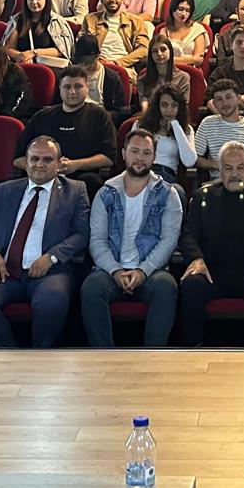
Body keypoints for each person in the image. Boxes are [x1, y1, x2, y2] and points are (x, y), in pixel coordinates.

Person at [0, 136, 89, 349]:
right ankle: (9, 354)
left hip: (50, 272)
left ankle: (41, 355)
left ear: (59, 164)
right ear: (26, 162)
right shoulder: (5, 190)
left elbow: (82, 234)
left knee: (53, 302)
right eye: (35, 158)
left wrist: (52, 257)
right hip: (5, 272)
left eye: (47, 159)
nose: (40, 164)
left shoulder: (75, 191)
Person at [81, 129, 183, 347]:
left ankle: (151, 357)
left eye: (146, 153)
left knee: (166, 287)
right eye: (135, 151)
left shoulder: (168, 194)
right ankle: (102, 357)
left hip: (151, 270)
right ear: (124, 153)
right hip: (111, 271)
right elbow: (97, 240)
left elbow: (169, 240)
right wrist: (116, 271)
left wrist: (142, 270)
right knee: (91, 288)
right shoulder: (106, 192)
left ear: (154, 157)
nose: (140, 158)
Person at [178, 141, 244, 346]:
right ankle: (193, 350)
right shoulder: (203, 196)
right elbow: (188, 235)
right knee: (192, 284)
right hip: (212, 272)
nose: (234, 174)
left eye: (240, 168)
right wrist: (197, 259)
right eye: (228, 168)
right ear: (219, 171)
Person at [14, 66, 119, 192]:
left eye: (78, 86)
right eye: (67, 87)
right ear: (59, 89)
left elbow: (109, 158)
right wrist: (43, 169)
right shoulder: (42, 116)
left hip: (80, 177)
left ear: (87, 87)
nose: (72, 92)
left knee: (92, 181)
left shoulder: (100, 116)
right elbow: (18, 158)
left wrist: (75, 165)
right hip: (42, 176)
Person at [6, 0, 75, 71]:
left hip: (50, 67)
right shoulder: (17, 20)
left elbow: (62, 50)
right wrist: (22, 56)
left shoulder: (56, 21)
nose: (34, 2)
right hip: (23, 66)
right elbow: (8, 48)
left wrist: (34, 53)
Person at [136, 85, 197, 183]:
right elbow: (132, 154)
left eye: (174, 106)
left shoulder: (186, 129)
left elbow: (189, 161)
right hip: (142, 172)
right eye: (164, 105)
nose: (169, 110)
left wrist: (176, 126)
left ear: (180, 107)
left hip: (167, 177)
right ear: (157, 107)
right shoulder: (141, 125)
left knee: (177, 190)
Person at [84, 0, 151, 69]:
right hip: (96, 67)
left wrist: (116, 63)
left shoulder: (136, 22)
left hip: (124, 68)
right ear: (102, 0)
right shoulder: (90, 20)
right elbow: (81, 47)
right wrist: (97, 62)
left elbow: (143, 50)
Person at [137, 35, 193, 119]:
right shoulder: (143, 80)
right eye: (155, 51)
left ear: (170, 51)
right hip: (150, 119)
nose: (159, 54)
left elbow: (183, 106)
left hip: (175, 119)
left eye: (163, 50)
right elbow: (144, 107)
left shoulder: (183, 77)